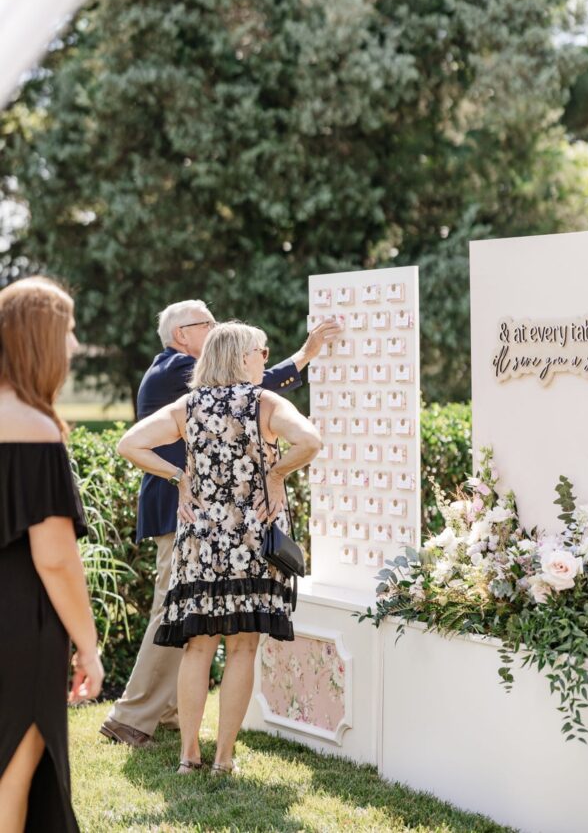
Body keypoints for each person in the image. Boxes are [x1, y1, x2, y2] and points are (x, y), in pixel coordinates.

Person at [101, 300, 339, 746]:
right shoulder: (228, 389)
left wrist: (179, 475)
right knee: (232, 641)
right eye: (260, 352)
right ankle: (187, 740)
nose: (264, 359)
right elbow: (297, 430)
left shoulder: (187, 398)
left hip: (200, 531)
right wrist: (276, 473)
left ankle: (183, 740)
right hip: (240, 532)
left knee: (196, 639)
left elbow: (129, 443)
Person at [0, 277, 104, 833]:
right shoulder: (34, 430)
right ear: (40, 339)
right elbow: (56, 558)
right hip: (20, 628)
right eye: (67, 330)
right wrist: (88, 647)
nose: (74, 344)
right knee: (12, 781)